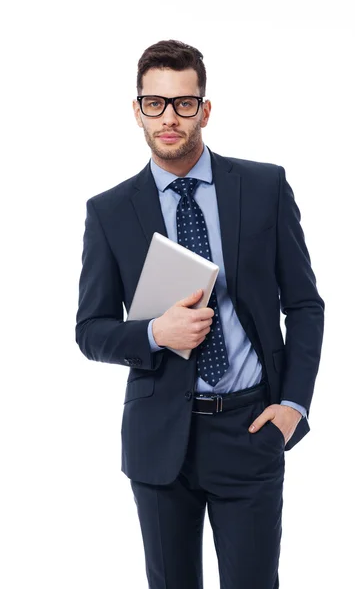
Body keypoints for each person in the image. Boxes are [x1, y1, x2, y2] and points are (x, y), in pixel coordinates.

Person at [75, 39, 325, 589]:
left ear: (204, 109)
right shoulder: (110, 211)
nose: (169, 117)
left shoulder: (264, 187)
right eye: (155, 103)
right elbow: (90, 330)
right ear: (137, 110)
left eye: (184, 103)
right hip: (160, 438)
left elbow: (305, 304)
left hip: (250, 428)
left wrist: (293, 406)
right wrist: (155, 334)